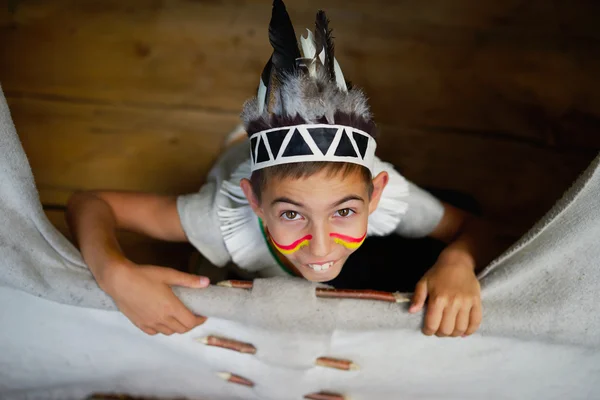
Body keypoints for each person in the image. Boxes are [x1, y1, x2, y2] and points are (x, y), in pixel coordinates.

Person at [67, 0, 494, 339]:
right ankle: (236, 142)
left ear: (376, 194)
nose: (322, 248)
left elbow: (475, 227)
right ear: (253, 201)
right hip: (243, 160)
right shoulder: (218, 217)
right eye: (291, 213)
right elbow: (91, 203)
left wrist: (456, 260)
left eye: (345, 211)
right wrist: (115, 273)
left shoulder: (389, 193)